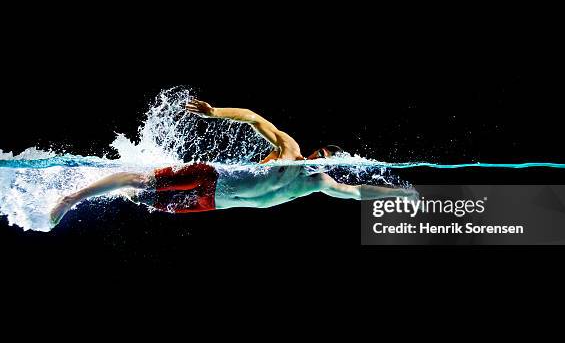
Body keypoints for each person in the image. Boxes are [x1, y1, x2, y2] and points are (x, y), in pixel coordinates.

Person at [49, 99, 416, 227]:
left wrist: (396, 195)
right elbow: (256, 119)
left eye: (325, 163)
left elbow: (355, 193)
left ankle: (101, 188)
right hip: (212, 177)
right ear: (314, 152)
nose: (317, 163)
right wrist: (215, 113)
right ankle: (72, 198)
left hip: (211, 203)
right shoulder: (290, 151)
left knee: (139, 199)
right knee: (142, 181)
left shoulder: (317, 184)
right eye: (319, 155)